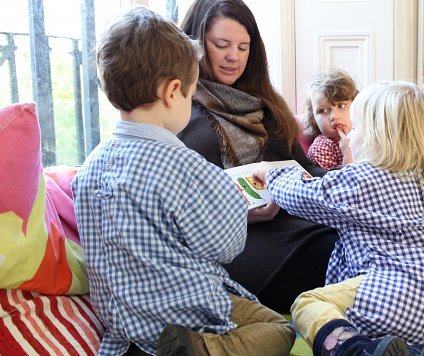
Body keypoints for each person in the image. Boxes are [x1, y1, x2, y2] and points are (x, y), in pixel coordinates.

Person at [71, 7, 294, 355]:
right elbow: (227, 245)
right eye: (191, 95)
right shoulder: (184, 164)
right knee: (280, 330)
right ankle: (204, 350)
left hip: (125, 322)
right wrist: (233, 201)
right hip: (189, 311)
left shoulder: (88, 170)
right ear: (173, 91)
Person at [251, 81, 424, 355]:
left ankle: (352, 350)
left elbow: (304, 196)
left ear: (379, 136)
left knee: (307, 304)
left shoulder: (364, 179)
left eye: (358, 127)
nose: (350, 135)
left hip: (391, 299)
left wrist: (272, 173)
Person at [178, 0, 338, 312]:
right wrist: (237, 214)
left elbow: (304, 168)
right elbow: (177, 208)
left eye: (243, 47)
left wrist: (354, 182)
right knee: (366, 258)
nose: (233, 57)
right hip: (247, 246)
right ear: (196, 45)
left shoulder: (265, 103)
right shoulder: (179, 110)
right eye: (221, 44)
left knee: (414, 239)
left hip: (300, 220)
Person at [303, 69, 358, 170]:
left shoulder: (364, 136)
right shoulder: (320, 149)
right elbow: (336, 183)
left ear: (356, 106)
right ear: (313, 118)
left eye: (341, 106)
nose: (334, 116)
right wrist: (348, 153)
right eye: (323, 110)